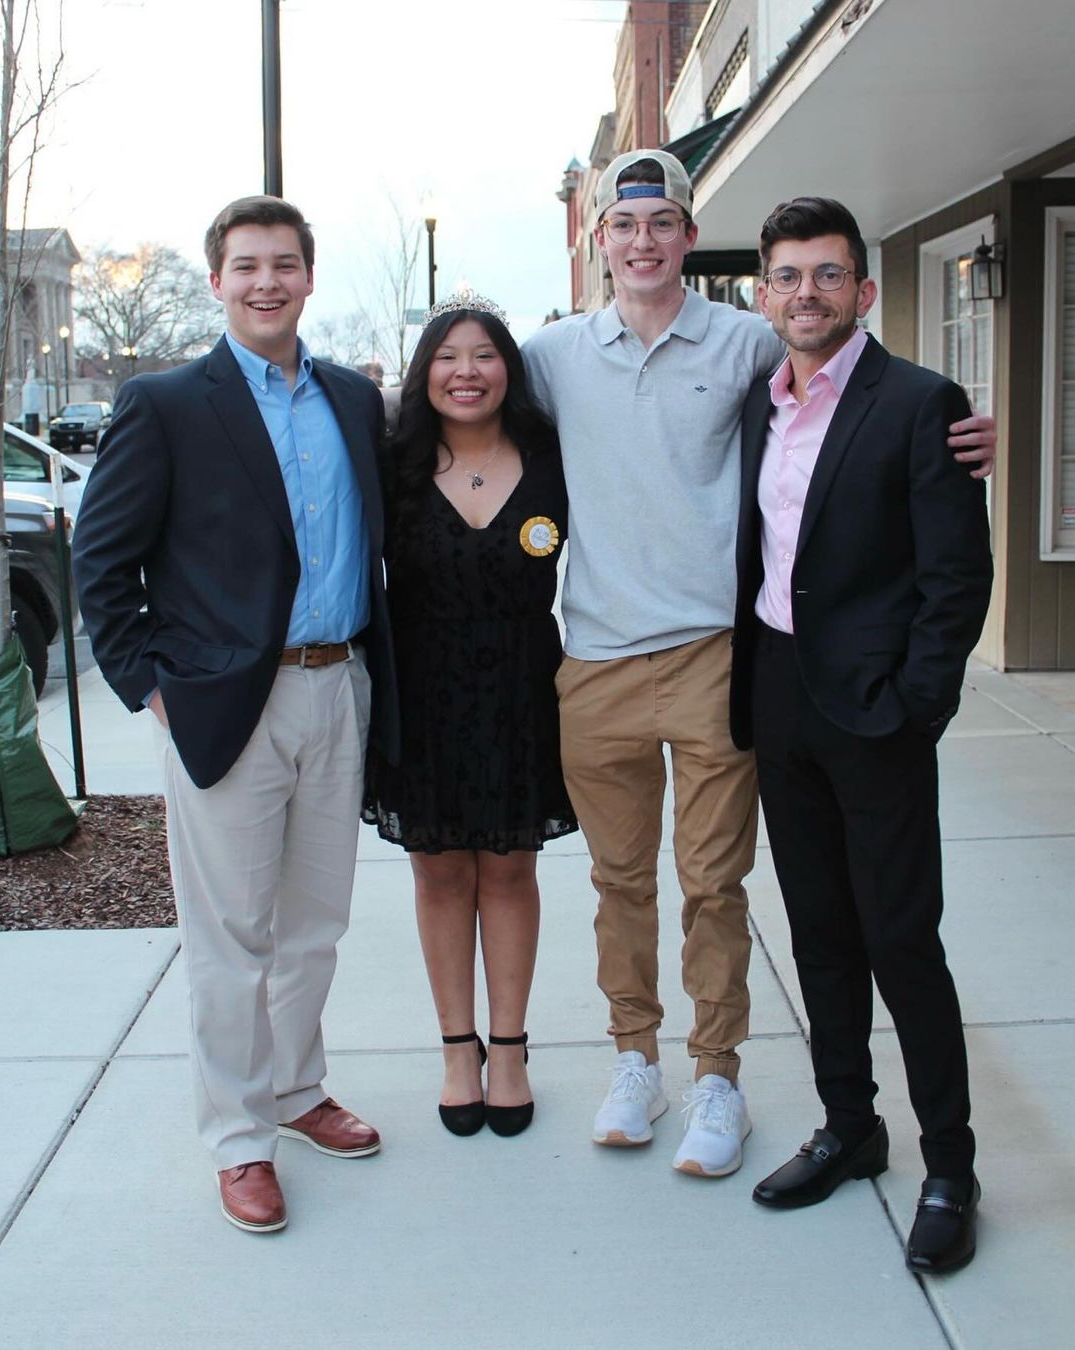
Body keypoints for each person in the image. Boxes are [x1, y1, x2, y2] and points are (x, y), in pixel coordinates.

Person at [521, 149, 997, 1179]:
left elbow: (873, 412)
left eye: (663, 223)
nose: (643, 241)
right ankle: (640, 1061)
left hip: (718, 656)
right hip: (605, 659)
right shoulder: (552, 356)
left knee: (721, 885)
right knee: (627, 884)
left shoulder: (745, 342)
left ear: (691, 238)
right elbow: (457, 408)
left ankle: (722, 1077)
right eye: (623, 224)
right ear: (599, 240)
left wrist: (962, 436)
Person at [72, 195, 399, 1234]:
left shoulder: (352, 398)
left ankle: (297, 1091)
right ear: (218, 280)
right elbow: (101, 560)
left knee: (315, 923)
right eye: (247, 265)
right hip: (224, 703)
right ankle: (239, 1138)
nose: (267, 282)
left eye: (284, 263)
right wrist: (152, 686)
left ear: (309, 277)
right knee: (229, 938)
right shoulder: (167, 403)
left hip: (338, 686)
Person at [730, 197, 991, 1273]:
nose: (808, 294)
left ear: (864, 291)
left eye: (828, 274)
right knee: (819, 932)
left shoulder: (922, 403)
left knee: (901, 940)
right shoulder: (758, 403)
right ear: (764, 295)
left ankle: (951, 1168)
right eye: (789, 277)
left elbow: (957, 577)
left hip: (877, 712)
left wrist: (916, 705)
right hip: (779, 696)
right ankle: (851, 1125)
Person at [363, 292, 577, 1138]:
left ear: (508, 369)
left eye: (484, 355)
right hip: (423, 693)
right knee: (441, 873)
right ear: (423, 373)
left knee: (512, 870)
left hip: (523, 688)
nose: (466, 372)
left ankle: (511, 1049)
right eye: (447, 357)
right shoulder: (392, 462)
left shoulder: (554, 453)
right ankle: (459, 1048)